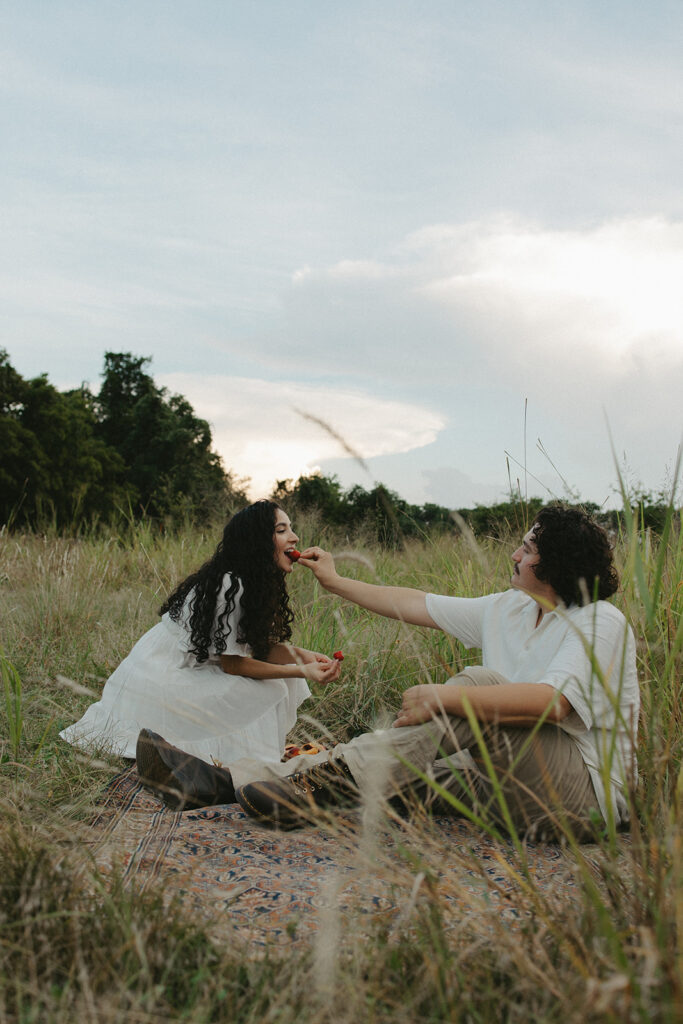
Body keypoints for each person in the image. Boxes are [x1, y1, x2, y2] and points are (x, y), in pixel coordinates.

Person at [232, 504, 640, 841]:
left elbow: (553, 704)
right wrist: (336, 582)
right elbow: (414, 603)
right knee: (400, 768)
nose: (515, 555)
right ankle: (231, 779)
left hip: (581, 802)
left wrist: (444, 697)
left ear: (557, 563)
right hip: (502, 787)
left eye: (528, 549)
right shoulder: (511, 608)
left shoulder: (601, 620)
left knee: (479, 684)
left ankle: (330, 781)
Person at [60, 501, 341, 807]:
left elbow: (256, 647)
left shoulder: (255, 581)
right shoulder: (229, 584)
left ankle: (251, 760)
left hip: (200, 665)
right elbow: (234, 664)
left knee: (283, 681)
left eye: (291, 528)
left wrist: (306, 656)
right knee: (273, 686)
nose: (295, 537)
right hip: (166, 674)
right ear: (258, 540)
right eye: (282, 530)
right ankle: (243, 764)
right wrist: (301, 670)